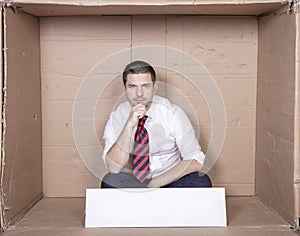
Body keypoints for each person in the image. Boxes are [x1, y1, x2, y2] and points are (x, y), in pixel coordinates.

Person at [101, 60, 211, 188]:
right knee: (109, 181)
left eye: (145, 86)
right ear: (124, 88)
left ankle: (144, 203)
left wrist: (156, 183)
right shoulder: (117, 116)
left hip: (169, 180)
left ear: (154, 88)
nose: (139, 93)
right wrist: (129, 125)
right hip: (133, 182)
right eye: (132, 87)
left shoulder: (173, 113)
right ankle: (156, 203)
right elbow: (113, 168)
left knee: (200, 180)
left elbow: (195, 160)